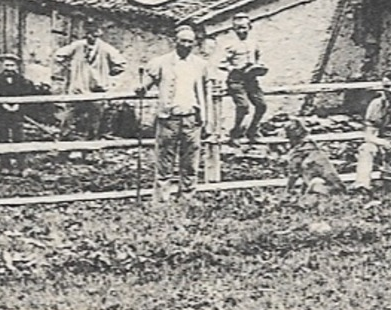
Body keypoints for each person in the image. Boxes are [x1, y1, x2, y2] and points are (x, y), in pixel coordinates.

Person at [139, 24, 209, 204]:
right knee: (164, 160)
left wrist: (205, 118)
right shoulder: (161, 62)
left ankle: (187, 197)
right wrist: (142, 87)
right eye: (183, 41)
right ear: (175, 42)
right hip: (169, 118)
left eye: (190, 42)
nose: (186, 45)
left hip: (192, 118)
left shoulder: (200, 65)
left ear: (194, 44)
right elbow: (148, 81)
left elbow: (205, 91)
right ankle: (161, 199)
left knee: (190, 162)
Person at [55, 26, 127, 141]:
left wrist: (109, 75)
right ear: (87, 34)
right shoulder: (78, 46)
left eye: (97, 36)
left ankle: (91, 144)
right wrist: (69, 67)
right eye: (92, 35)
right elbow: (59, 55)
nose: (94, 38)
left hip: (97, 89)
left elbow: (121, 64)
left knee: (94, 119)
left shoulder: (106, 48)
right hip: (78, 88)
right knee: (69, 115)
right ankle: (63, 140)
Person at [223, 15, 268, 147]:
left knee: (262, 105)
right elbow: (222, 63)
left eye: (244, 28)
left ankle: (252, 131)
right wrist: (233, 68)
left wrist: (259, 66)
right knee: (243, 106)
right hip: (236, 81)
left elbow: (258, 58)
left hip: (251, 80)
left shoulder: (254, 43)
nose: (241, 31)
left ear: (249, 27)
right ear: (234, 29)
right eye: (238, 28)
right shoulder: (230, 45)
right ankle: (235, 134)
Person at [284, 120, 348, 195]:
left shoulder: (300, 152)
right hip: (335, 189)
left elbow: (294, 175)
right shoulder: (311, 148)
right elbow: (308, 175)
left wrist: (287, 191)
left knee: (316, 182)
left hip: (328, 189)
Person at [0, 56, 35, 145]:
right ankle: (5, 158)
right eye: (7, 65)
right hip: (1, 111)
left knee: (18, 135)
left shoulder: (21, 79)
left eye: (12, 65)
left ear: (16, 67)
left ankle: (19, 157)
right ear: (3, 66)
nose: (9, 68)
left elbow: (25, 93)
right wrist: (3, 104)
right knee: (2, 135)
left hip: (17, 111)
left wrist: (18, 104)